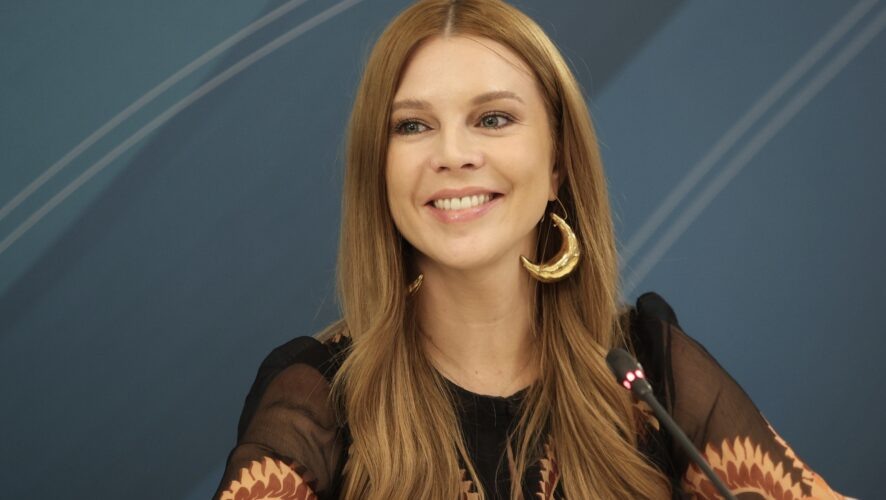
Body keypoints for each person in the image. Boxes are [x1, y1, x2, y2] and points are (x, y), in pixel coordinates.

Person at [214, 1, 849, 498]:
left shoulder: (646, 373)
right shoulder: (320, 397)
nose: (453, 154)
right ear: (378, 172)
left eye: (493, 118)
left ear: (557, 165)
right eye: (413, 125)